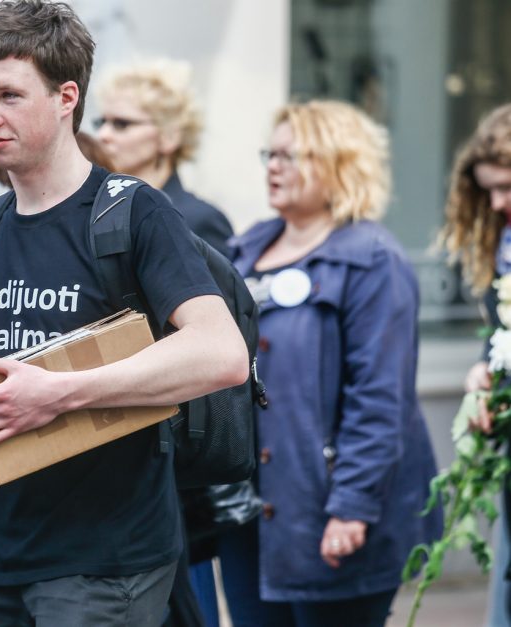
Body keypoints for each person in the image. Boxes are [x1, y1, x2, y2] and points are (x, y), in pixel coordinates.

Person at [0, 2, 249, 626]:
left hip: (107, 561)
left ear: (65, 97)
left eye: (9, 95)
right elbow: (5, 373)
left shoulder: (133, 212)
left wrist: (61, 394)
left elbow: (221, 353)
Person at [219, 99, 441, 627]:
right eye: (269, 154)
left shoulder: (371, 258)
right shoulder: (246, 250)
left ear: (339, 164)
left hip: (328, 511)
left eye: (292, 156)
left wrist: (352, 506)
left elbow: (379, 397)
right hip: (251, 513)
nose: (274, 167)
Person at [438, 103, 511, 624]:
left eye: (509, 186)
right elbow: (498, 333)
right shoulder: (503, 238)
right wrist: (484, 371)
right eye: (489, 190)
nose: (499, 202)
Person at [95, 58, 233, 255]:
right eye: (101, 122)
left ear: (169, 136)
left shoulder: (200, 220)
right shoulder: (97, 212)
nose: (103, 135)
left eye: (121, 124)